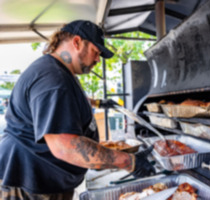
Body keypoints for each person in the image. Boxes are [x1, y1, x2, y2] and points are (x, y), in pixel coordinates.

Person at [0, 20, 155, 200]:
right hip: (29, 185)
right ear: (76, 42)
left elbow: (63, 105)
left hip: (41, 180)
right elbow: (65, 146)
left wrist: (97, 103)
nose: (97, 59)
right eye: (95, 52)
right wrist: (129, 161)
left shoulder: (56, 71)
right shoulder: (53, 79)